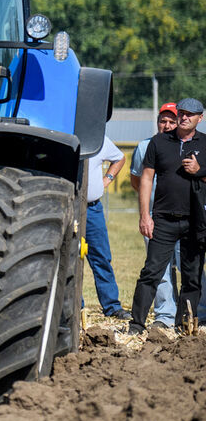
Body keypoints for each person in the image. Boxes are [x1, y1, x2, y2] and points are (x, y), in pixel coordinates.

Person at [130, 97, 206, 335]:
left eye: (190, 114)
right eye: (181, 113)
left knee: (192, 277)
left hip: (195, 221)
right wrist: (145, 215)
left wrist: (199, 170)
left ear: (199, 118)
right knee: (151, 273)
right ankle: (136, 325)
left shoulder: (205, 144)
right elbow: (145, 179)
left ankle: (185, 325)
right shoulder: (158, 142)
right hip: (163, 218)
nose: (184, 117)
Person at [132, 104, 180, 328]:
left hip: (182, 216)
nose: (167, 125)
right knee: (159, 270)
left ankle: (197, 312)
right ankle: (166, 315)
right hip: (154, 217)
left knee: (190, 265)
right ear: (157, 121)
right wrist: (146, 210)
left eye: (172, 121)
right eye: (163, 121)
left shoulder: (185, 146)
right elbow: (137, 179)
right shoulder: (144, 147)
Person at [84, 134, 127, 320]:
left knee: (101, 258)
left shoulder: (97, 138)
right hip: (65, 207)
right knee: (67, 258)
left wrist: (107, 179)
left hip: (92, 209)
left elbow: (119, 158)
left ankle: (111, 306)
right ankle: (75, 307)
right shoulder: (61, 132)